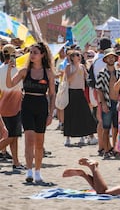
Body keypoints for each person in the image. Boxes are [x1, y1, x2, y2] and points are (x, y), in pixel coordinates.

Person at [6, 42, 56, 183]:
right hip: (27, 105)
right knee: (29, 140)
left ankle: (38, 172)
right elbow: (10, 84)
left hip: (42, 106)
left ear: (42, 55)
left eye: (35, 52)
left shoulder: (48, 72)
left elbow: (52, 94)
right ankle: (29, 171)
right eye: (31, 52)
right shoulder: (24, 71)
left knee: (39, 143)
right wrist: (10, 70)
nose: (32, 55)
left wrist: (51, 113)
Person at [63, 49, 97, 146]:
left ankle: (86, 136)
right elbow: (68, 79)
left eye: (79, 55)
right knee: (70, 114)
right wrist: (76, 69)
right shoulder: (69, 67)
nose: (78, 57)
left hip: (80, 92)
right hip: (71, 92)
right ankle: (68, 137)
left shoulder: (82, 66)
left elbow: (87, 77)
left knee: (85, 114)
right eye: (76, 55)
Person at [0, 44, 24, 170]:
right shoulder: (16, 71)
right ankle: (15, 162)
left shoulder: (0, 69)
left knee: (13, 137)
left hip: (2, 107)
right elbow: (20, 89)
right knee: (12, 137)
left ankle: (16, 162)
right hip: (14, 108)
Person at [96, 48, 120, 159]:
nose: (111, 59)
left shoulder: (119, 72)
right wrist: (103, 104)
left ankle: (115, 149)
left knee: (116, 128)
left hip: (117, 102)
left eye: (113, 57)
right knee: (106, 128)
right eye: (109, 57)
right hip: (107, 102)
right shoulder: (102, 73)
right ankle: (106, 149)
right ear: (105, 59)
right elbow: (99, 90)